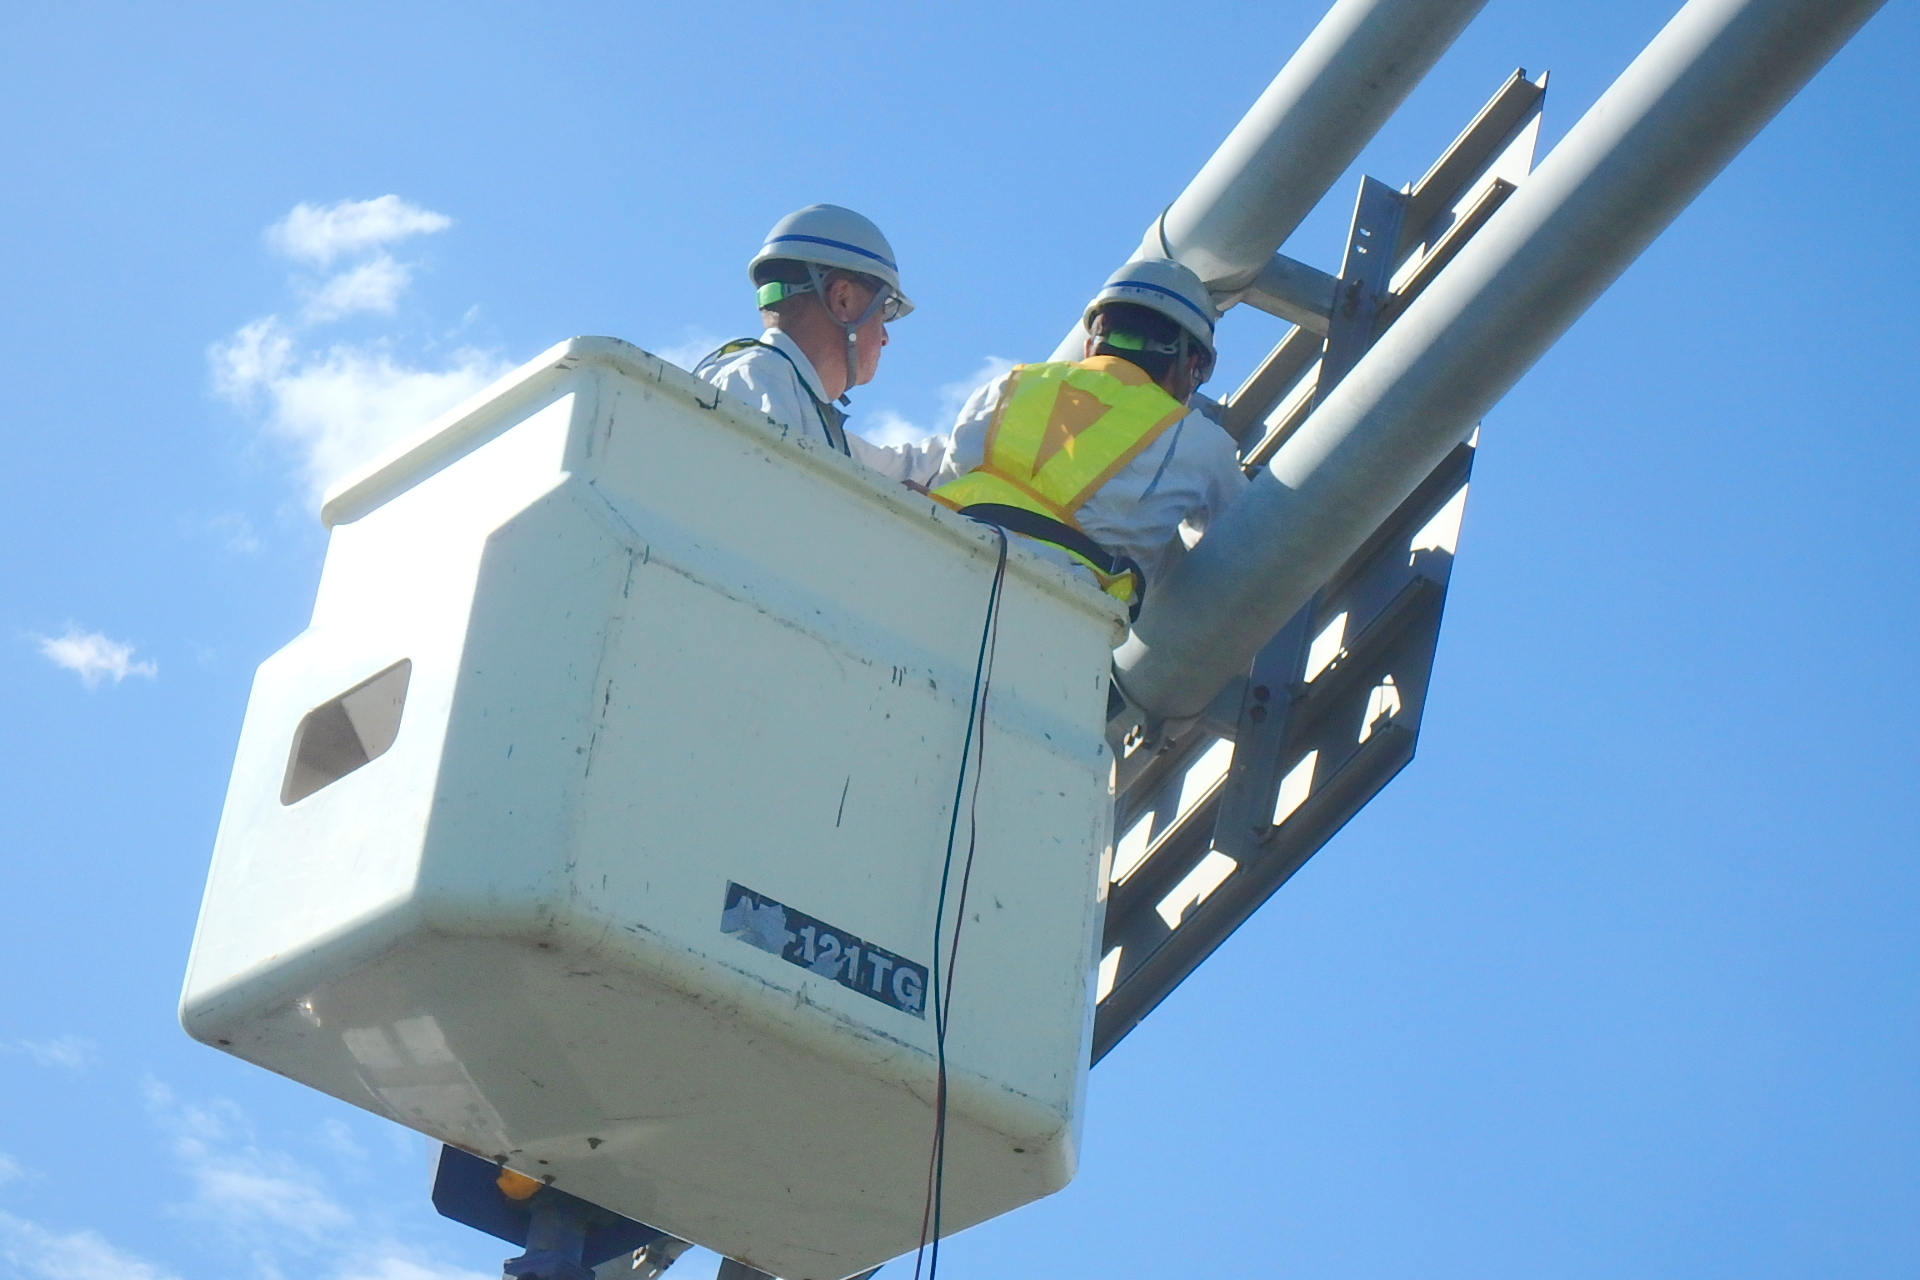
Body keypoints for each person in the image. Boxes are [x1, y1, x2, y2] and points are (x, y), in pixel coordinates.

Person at [928, 258, 1247, 615]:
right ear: (1190, 363)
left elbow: (950, 481)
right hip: (1064, 614)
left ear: (1092, 341)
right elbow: (1242, 547)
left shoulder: (1007, 386)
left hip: (933, 562)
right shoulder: (1198, 441)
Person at [693, 204, 947, 486]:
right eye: (883, 310)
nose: (885, 336)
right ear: (843, 299)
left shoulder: (802, 407)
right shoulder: (757, 378)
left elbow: (913, 468)